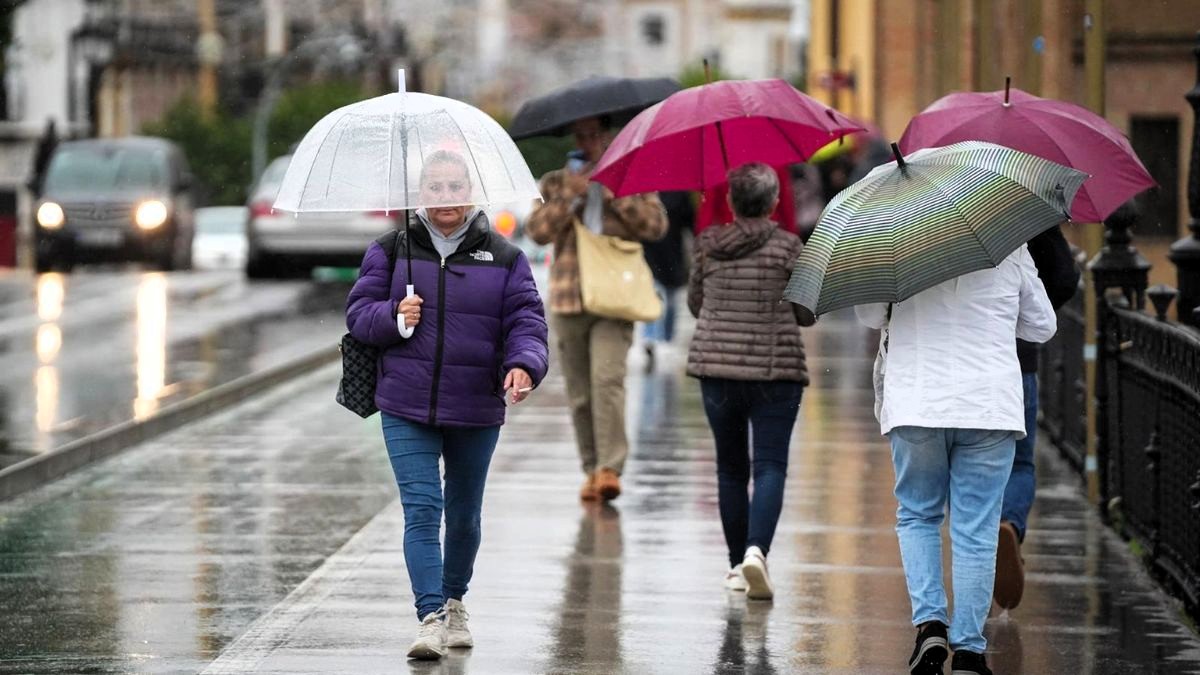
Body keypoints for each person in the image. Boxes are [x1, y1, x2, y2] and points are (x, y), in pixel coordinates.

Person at [345, 150, 549, 661]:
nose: (445, 197)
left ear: (472, 192)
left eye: (455, 185)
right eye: (434, 187)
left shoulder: (504, 257)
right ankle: (430, 616)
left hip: (476, 405)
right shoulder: (391, 251)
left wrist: (525, 364)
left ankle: (456, 601)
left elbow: (528, 320)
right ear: (420, 196)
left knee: (462, 516)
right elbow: (358, 315)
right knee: (422, 509)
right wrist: (393, 313)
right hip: (404, 402)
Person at [856, 244, 1056, 675]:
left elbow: (870, 316)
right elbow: (1042, 326)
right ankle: (968, 649)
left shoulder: (895, 241)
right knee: (976, 529)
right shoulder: (1008, 247)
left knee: (918, 515)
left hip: (918, 402)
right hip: (988, 407)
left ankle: (930, 625)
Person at [526, 115, 667, 503]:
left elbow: (655, 226)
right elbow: (537, 231)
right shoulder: (555, 182)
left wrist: (612, 193)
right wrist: (569, 197)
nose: (588, 142)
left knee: (607, 380)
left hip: (614, 295)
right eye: (581, 135)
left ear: (608, 137)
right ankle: (590, 469)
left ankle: (610, 467)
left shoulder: (630, 174)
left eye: (595, 135)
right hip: (570, 295)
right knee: (580, 392)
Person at [686, 162, 808, 601]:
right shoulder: (790, 247)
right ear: (775, 202)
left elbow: (696, 304)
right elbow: (804, 312)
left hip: (717, 371)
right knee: (770, 465)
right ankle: (758, 552)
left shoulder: (707, 245)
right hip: (776, 373)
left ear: (731, 202)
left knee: (730, 469)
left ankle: (738, 565)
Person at [994, 223, 1080, 610]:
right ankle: (1009, 524)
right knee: (1019, 463)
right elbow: (1064, 276)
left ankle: (977, 555)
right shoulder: (1023, 209)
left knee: (962, 464)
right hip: (1017, 359)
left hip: (954, 364)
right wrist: (1028, 307)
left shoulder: (935, 206)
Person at [641, 190, 694, 370]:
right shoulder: (643, 193)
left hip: (672, 255)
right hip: (650, 255)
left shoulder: (679, 194)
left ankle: (667, 339)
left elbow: (690, 221)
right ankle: (650, 338)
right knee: (653, 296)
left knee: (670, 300)